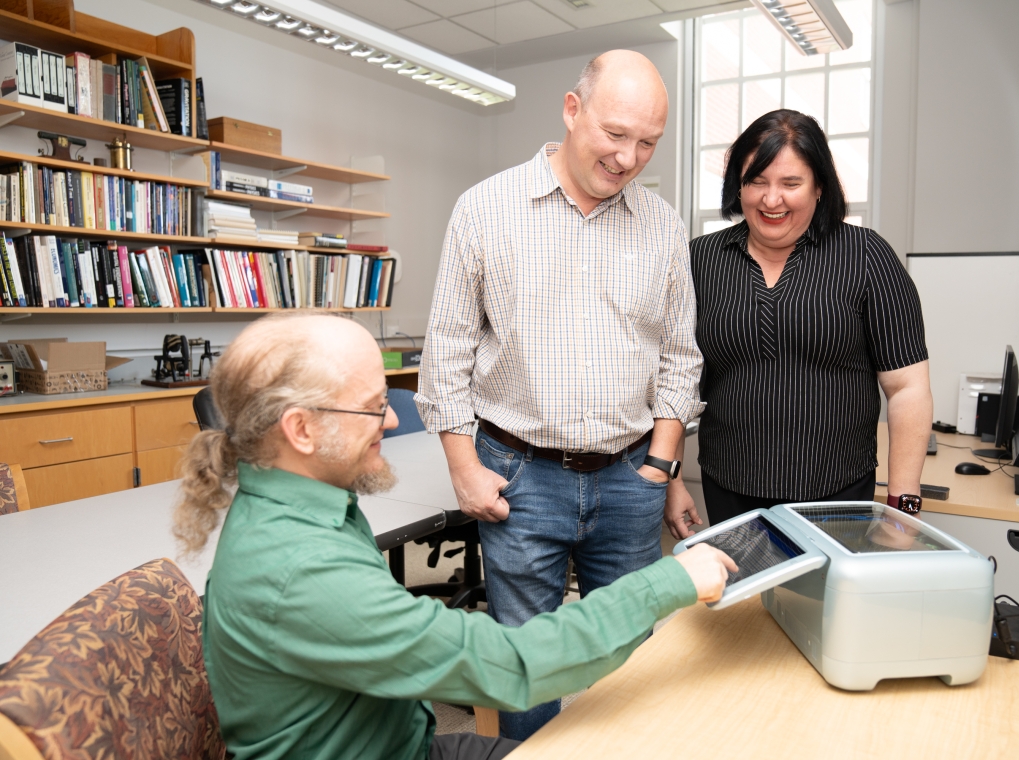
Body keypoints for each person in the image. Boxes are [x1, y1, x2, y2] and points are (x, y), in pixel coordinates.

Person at [174, 313, 735, 760]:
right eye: (373, 407)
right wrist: (671, 580)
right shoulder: (299, 571)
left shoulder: (299, 505)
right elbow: (511, 665)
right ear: (300, 429)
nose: (391, 422)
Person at [416, 51, 704, 740]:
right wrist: (463, 466)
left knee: (633, 659)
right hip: (517, 475)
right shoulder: (484, 209)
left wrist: (662, 468)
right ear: (572, 112)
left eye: (648, 142)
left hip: (631, 478)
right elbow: (448, 353)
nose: (629, 156)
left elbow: (679, 359)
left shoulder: (663, 226)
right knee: (527, 666)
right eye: (616, 133)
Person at [669, 109, 932, 537]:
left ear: (819, 187)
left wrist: (901, 504)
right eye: (757, 181)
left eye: (791, 183)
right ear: (739, 184)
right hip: (730, 491)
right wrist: (673, 480)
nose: (772, 200)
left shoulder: (866, 256)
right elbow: (675, 381)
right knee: (745, 603)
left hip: (838, 494)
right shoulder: (700, 260)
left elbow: (907, 388)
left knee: (826, 605)